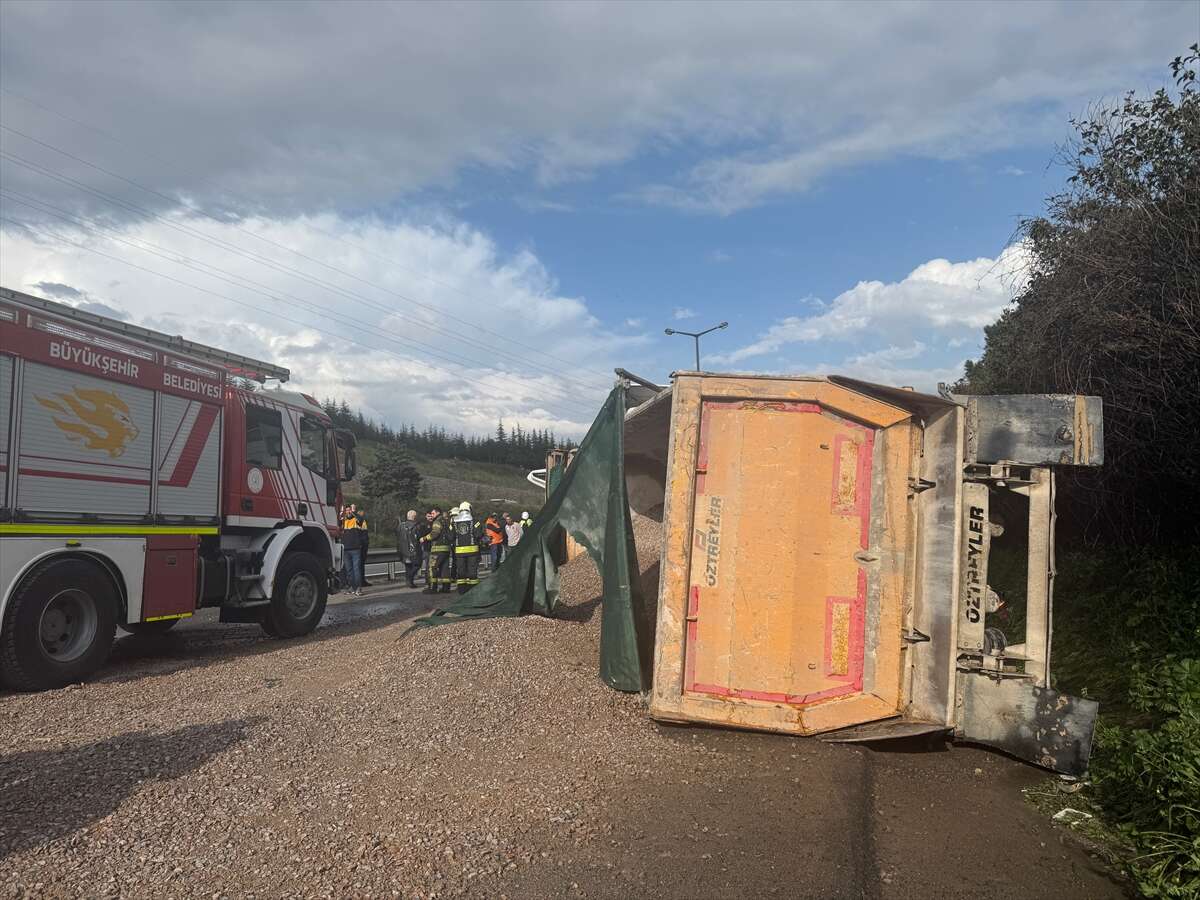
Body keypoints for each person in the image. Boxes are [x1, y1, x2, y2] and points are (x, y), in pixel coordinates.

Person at [451, 501, 481, 593]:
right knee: (472, 571)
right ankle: (473, 590)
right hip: (473, 551)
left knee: (461, 571)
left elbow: (450, 536)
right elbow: (478, 534)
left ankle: (461, 590)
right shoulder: (475, 521)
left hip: (459, 552)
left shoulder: (454, 522)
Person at [424, 507, 451, 593]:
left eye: (433, 513)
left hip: (437, 549)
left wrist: (425, 538)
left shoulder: (437, 521)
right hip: (446, 549)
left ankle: (432, 587)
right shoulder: (446, 521)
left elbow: (435, 533)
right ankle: (446, 588)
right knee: (445, 569)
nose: (432, 515)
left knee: (432, 568)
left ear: (437, 513)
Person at [340, 504, 365, 596]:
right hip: (346, 548)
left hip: (355, 548)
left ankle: (358, 588)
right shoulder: (343, 521)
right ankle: (352, 587)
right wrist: (342, 513)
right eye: (346, 511)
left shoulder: (356, 519)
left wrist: (354, 512)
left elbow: (361, 520)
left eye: (349, 510)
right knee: (349, 570)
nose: (348, 512)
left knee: (356, 569)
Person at [396, 509, 421, 588]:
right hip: (414, 549)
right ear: (414, 517)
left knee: (408, 566)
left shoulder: (401, 525)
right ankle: (410, 579)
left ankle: (409, 581)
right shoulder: (417, 526)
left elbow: (397, 535)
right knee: (417, 565)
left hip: (403, 549)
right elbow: (419, 537)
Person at [415, 510, 432, 585]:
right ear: (426, 516)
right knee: (428, 566)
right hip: (427, 548)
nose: (430, 518)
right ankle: (428, 581)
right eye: (429, 516)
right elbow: (421, 536)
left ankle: (432, 580)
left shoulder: (435, 523)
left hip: (434, 548)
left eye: (431, 516)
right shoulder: (423, 525)